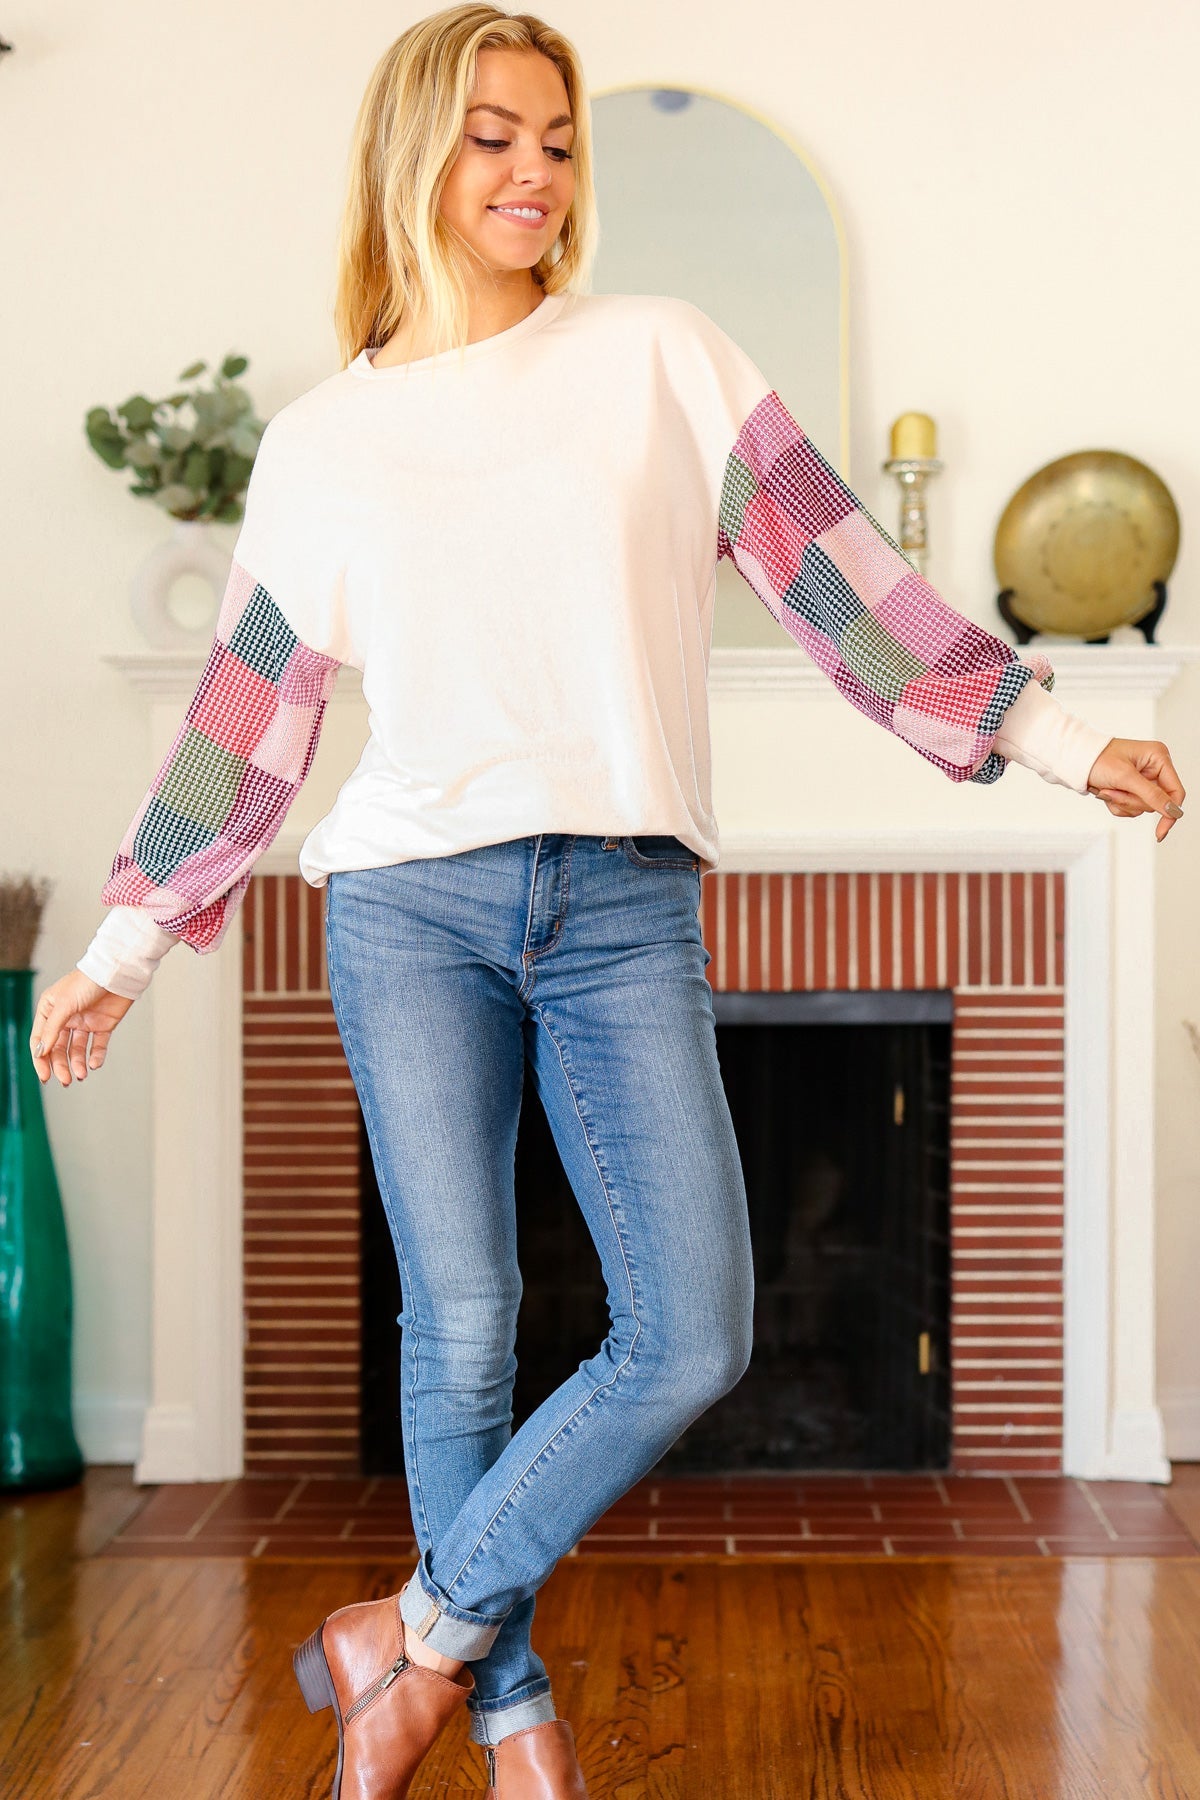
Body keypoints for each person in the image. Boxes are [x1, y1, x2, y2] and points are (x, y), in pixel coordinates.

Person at [30, 7, 1186, 1798]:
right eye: (495, 135)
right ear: (416, 154)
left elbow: (840, 581)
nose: (536, 172)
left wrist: (1045, 731)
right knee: (466, 1316)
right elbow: (246, 731)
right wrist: (116, 953)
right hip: (406, 910)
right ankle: (512, 1721)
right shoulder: (326, 444)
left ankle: (408, 1641)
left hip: (622, 899)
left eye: (560, 141)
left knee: (696, 1328)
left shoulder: (660, 354)